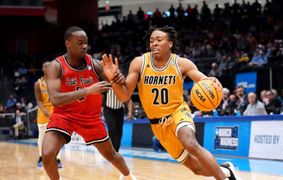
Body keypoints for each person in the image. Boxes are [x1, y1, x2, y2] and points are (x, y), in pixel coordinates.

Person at [102, 26, 240, 180]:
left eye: (159, 40)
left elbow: (204, 81)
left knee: (190, 142)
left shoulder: (182, 63)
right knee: (196, 168)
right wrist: (113, 80)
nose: (154, 43)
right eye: (151, 41)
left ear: (170, 44)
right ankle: (226, 171)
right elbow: (124, 96)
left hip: (178, 113)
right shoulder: (139, 63)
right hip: (158, 126)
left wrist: (212, 81)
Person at [43, 26, 136, 180]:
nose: (84, 46)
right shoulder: (56, 66)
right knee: (47, 155)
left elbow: (124, 95)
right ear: (68, 43)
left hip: (90, 118)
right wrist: (87, 90)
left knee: (112, 155)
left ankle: (128, 176)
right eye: (80, 43)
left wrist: (117, 79)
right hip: (64, 116)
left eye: (86, 42)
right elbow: (55, 99)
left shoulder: (95, 64)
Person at [34, 62, 62, 168]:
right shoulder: (38, 84)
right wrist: (45, 111)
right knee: (42, 136)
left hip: (55, 111)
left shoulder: (57, 82)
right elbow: (38, 101)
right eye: (46, 66)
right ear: (42, 69)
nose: (48, 68)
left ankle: (57, 159)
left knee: (57, 137)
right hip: (43, 113)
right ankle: (41, 158)